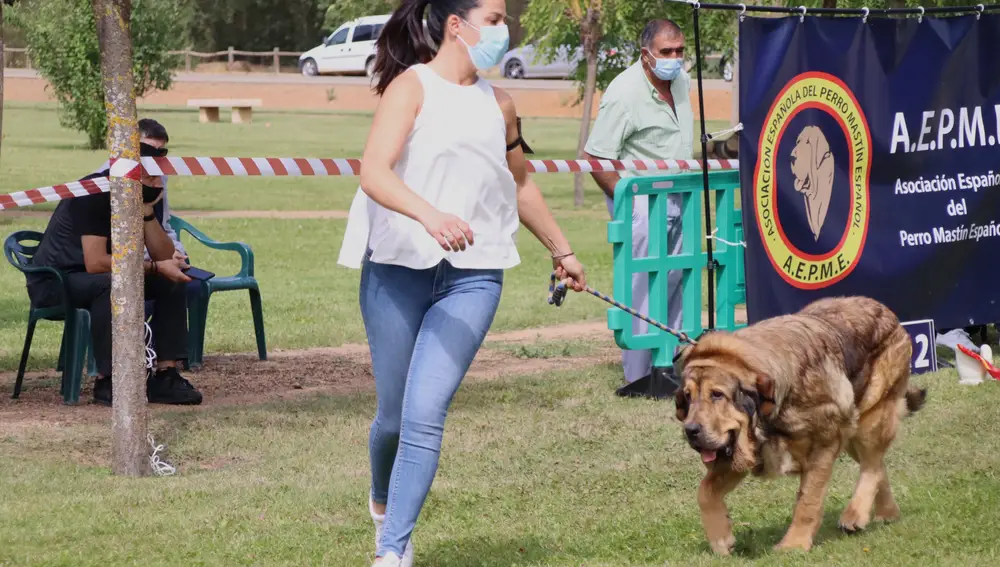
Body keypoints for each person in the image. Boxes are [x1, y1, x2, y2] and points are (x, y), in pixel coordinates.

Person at [336, 0, 586, 564]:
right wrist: (430, 215)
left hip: (473, 277)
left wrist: (562, 249)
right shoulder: (412, 87)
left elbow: (520, 186)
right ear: (458, 26)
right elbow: (373, 171)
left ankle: (392, 551)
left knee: (426, 413)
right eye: (495, 19)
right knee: (395, 417)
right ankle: (382, 498)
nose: (505, 29)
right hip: (396, 268)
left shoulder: (501, 104)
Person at [26, 131, 204, 407]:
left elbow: (165, 255)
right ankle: (108, 379)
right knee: (112, 284)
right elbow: (95, 263)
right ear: (132, 173)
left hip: (100, 276)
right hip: (56, 281)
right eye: (151, 176)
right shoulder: (94, 192)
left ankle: (166, 375)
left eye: (160, 177)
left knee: (173, 280)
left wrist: (146, 211)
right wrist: (155, 267)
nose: (159, 183)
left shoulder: (145, 193)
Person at [584, 19, 693, 397]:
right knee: (643, 284)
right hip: (642, 200)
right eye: (667, 52)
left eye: (679, 51)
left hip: (682, 195)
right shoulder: (625, 92)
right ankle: (638, 376)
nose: (675, 59)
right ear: (646, 54)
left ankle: (672, 365)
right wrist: (629, 203)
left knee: (680, 280)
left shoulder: (680, 81)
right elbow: (597, 157)